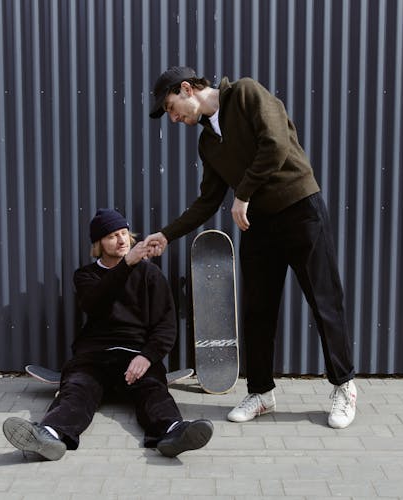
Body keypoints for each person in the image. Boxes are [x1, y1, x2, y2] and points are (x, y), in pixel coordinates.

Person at [145, 66, 357, 429]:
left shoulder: (245, 94)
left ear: (186, 89)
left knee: (324, 301)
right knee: (257, 309)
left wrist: (242, 194)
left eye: (170, 107)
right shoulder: (207, 143)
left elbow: (275, 144)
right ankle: (261, 392)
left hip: (299, 208)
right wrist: (166, 234)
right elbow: (208, 201)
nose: (174, 117)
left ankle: (344, 386)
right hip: (258, 223)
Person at [2, 208, 213, 460]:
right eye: (112, 235)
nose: (122, 240)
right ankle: (48, 435)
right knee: (76, 391)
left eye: (124, 233)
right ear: (99, 243)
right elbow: (95, 302)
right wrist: (126, 264)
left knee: (153, 391)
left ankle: (174, 433)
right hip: (94, 356)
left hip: (136, 355)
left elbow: (165, 325)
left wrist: (147, 356)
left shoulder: (150, 274)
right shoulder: (86, 275)